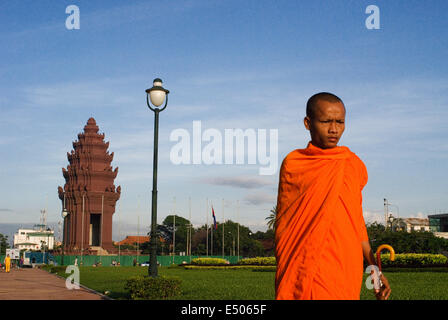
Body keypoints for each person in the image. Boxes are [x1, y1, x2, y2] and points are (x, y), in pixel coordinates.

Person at [275, 92, 391, 300]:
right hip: (305, 264)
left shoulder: (351, 164)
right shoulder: (294, 163)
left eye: (340, 122)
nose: (334, 129)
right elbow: (286, 224)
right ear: (307, 123)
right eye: (326, 121)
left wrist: (374, 271)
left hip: (345, 265)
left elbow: (356, 220)